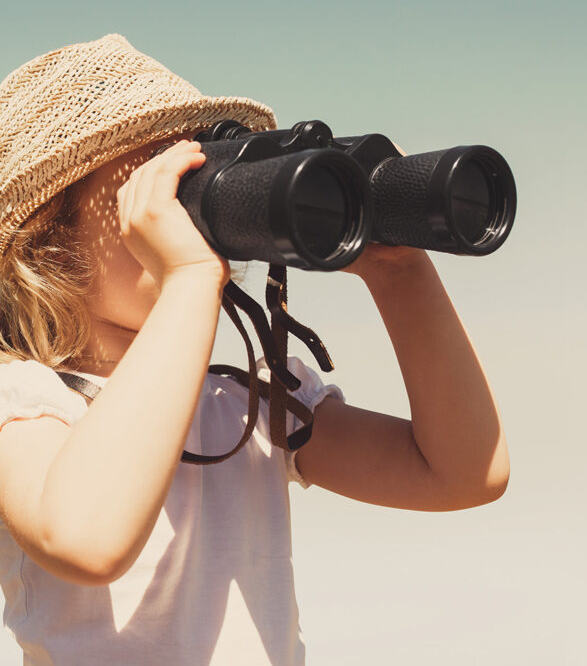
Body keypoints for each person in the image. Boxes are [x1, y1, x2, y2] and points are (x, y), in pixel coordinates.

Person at [0, 34, 510, 665]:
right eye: (152, 185)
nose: (181, 212)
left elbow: (462, 474)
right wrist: (189, 279)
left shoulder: (251, 406)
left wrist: (400, 270)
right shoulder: (26, 404)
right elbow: (86, 538)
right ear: (48, 236)